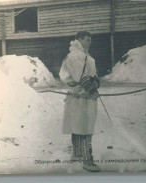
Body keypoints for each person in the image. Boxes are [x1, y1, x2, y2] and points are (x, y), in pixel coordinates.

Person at [59, 31, 100, 172]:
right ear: (79, 40)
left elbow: (91, 74)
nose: (90, 42)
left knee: (78, 125)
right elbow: (80, 77)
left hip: (81, 97)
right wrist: (92, 90)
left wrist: (96, 83)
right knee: (84, 128)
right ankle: (87, 161)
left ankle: (77, 154)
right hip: (81, 96)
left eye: (90, 39)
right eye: (88, 39)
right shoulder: (76, 56)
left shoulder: (83, 55)